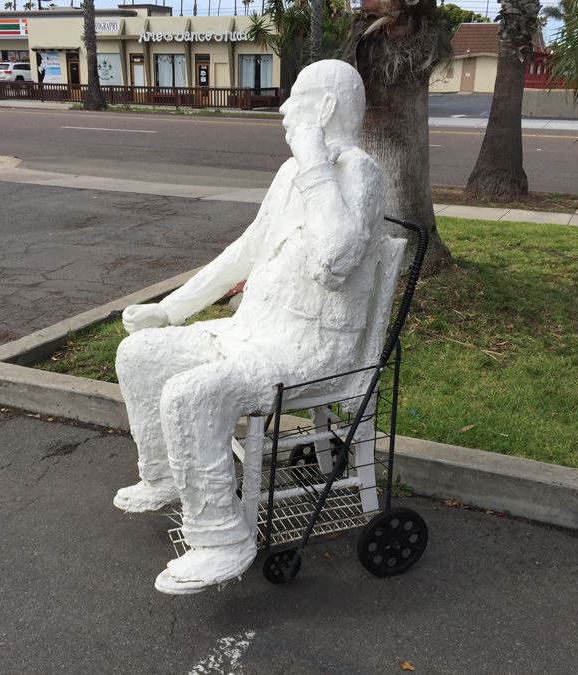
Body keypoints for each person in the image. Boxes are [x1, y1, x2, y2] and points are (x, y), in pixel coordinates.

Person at [114, 59, 384, 594]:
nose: (283, 109)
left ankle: (221, 539)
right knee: (139, 354)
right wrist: (171, 309)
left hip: (312, 351)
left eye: (296, 100)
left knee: (192, 395)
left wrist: (313, 162)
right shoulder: (293, 174)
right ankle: (166, 474)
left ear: (324, 109)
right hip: (252, 332)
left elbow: (336, 260)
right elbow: (245, 250)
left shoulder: (359, 172)